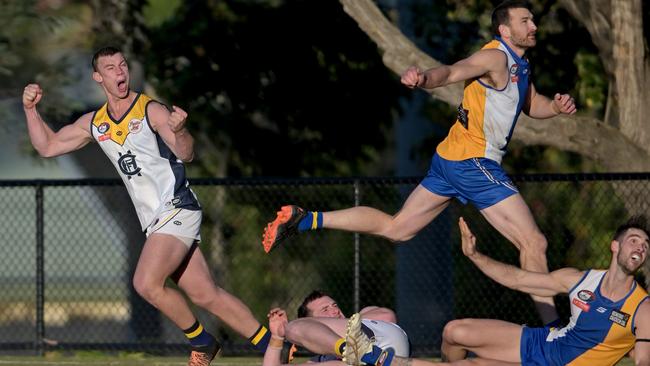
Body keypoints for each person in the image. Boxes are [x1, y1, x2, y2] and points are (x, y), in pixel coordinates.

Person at [262, 0, 576, 324]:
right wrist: (424, 78)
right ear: (504, 29)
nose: (533, 26)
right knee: (533, 241)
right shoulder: (494, 56)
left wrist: (554, 106)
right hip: (473, 161)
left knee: (397, 229)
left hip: (452, 160)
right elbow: (453, 71)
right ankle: (555, 333)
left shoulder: (520, 65)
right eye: (525, 21)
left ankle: (306, 219)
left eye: (532, 20)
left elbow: (529, 102)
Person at [22, 46, 272, 366]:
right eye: (110, 68)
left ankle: (202, 342)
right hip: (156, 220)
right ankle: (276, 344)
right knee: (205, 294)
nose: (120, 72)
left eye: (123, 65)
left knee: (146, 283)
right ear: (98, 77)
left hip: (176, 207)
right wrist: (30, 110)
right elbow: (48, 146)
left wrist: (180, 131)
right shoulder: (95, 123)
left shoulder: (150, 110)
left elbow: (186, 152)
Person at [347, 216, 650, 366]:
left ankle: (389, 361)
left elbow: (643, 358)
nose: (641, 247)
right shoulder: (581, 279)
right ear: (615, 246)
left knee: (471, 365)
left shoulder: (643, 307)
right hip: (541, 342)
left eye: (646, 245)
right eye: (635, 239)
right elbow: (518, 279)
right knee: (454, 331)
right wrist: (475, 256)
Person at [262, 290, 410, 366]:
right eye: (325, 310)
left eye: (334, 305)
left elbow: (387, 317)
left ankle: (353, 350)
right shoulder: (321, 360)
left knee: (292, 327)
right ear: (311, 322)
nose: (335, 311)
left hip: (386, 349)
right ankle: (351, 352)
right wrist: (276, 337)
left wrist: (350, 339)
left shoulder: (363, 316)